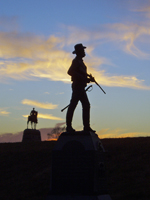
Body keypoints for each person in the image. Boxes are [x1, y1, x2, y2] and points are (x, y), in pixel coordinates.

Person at [66, 43, 95, 133]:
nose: (84, 51)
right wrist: (83, 78)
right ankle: (70, 127)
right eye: (82, 50)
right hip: (77, 87)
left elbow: (81, 74)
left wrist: (88, 79)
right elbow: (70, 72)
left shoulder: (80, 62)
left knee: (82, 105)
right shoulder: (76, 61)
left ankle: (85, 126)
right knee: (75, 105)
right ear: (79, 52)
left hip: (80, 86)